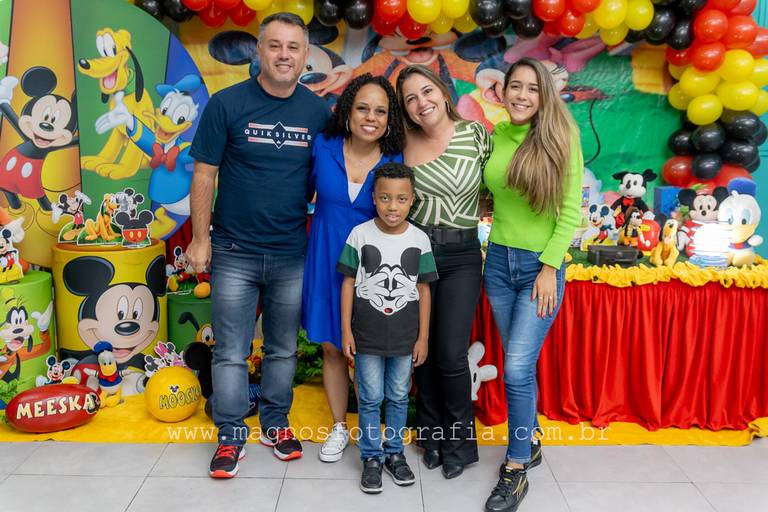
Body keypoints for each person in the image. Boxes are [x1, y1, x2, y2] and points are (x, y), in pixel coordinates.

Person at [187, 13, 330, 478]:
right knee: (230, 349)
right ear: (259, 51)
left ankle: (274, 423)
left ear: (304, 56)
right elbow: (204, 174)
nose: (284, 55)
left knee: (283, 348)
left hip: (291, 251)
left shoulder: (318, 114)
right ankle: (230, 434)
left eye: (293, 47)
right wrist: (200, 239)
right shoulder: (226, 104)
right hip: (233, 250)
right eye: (275, 45)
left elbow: (329, 176)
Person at [481, 57, 583, 512]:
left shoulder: (562, 136)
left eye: (532, 88)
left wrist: (548, 267)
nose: (522, 95)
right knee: (518, 365)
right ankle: (532, 440)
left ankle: (517, 466)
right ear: (502, 92)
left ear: (544, 94)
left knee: (517, 368)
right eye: (515, 86)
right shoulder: (498, 134)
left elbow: (571, 210)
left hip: (540, 269)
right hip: (497, 265)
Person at [302, 73, 405, 463]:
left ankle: (371, 431)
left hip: (373, 270)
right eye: (363, 108)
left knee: (368, 353)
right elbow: (301, 193)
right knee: (332, 348)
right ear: (347, 111)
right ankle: (338, 427)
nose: (370, 118)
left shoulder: (395, 160)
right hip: (325, 261)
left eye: (380, 111)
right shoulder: (323, 147)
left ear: (389, 119)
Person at [396, 64, 492, 479]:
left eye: (426, 91)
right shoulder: (402, 144)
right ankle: (429, 435)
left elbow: (496, 186)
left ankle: (459, 443)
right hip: (417, 254)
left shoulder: (475, 135)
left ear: (442, 90)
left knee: (451, 353)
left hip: (462, 254)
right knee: (423, 351)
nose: (421, 102)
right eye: (410, 99)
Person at [337, 163, 437, 494]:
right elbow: (348, 284)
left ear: (412, 200)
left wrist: (423, 337)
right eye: (385, 198)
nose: (392, 206)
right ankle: (371, 457)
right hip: (366, 337)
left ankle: (394, 453)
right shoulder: (360, 235)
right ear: (374, 198)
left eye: (401, 199)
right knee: (369, 398)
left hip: (405, 339)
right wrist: (347, 331)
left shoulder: (419, 240)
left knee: (397, 396)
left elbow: (423, 290)